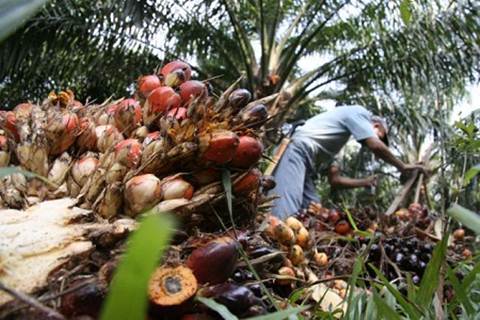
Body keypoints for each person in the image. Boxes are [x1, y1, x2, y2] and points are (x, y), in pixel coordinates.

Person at [270, 105, 425, 219]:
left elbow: (335, 180)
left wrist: (365, 182)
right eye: (381, 136)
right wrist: (402, 166)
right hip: (296, 149)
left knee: (315, 212)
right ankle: (273, 252)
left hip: (305, 166)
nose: (380, 141)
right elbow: (375, 145)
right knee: (285, 210)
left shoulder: (336, 140)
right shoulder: (358, 112)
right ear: (376, 126)